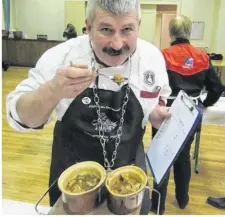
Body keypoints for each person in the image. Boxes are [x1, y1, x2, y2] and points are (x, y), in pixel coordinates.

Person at [6, 0, 172, 208]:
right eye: (106, 29)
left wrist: (154, 112)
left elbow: (156, 98)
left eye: (127, 29)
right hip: (73, 182)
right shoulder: (62, 56)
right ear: (89, 26)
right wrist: (52, 90)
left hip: (129, 177)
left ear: (138, 24)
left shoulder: (152, 59)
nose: (117, 44)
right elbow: (20, 118)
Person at [150, 15, 225, 215]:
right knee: (183, 157)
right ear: (189, 32)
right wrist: (203, 104)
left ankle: (158, 206)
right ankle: (182, 200)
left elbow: (153, 86)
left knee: (161, 157)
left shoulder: (162, 55)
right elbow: (217, 88)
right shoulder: (202, 56)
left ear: (171, 32)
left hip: (165, 114)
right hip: (190, 114)